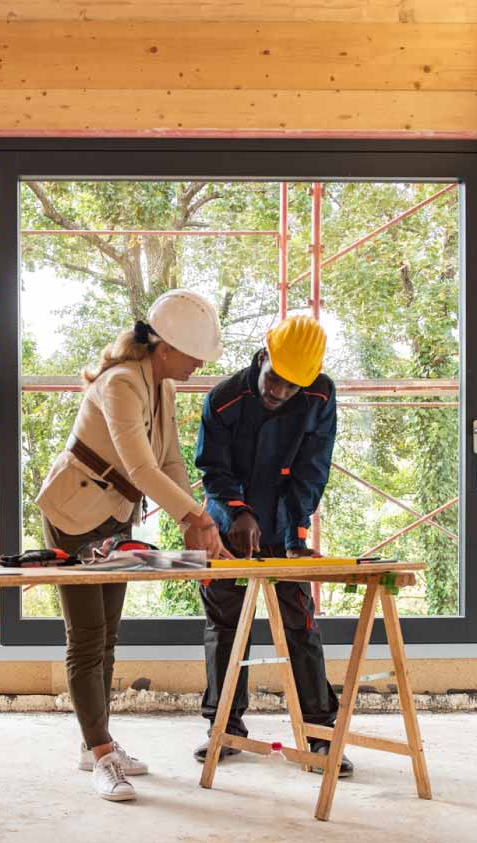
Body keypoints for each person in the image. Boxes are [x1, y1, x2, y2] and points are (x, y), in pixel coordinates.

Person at [36, 288, 232, 802]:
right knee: (86, 636)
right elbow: (141, 467)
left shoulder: (161, 385)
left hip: (113, 519)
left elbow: (167, 463)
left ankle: (94, 743)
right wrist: (194, 519)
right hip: (74, 515)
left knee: (107, 637)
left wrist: (201, 523)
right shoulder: (122, 383)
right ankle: (101, 756)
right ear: (165, 348)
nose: (199, 366)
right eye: (194, 356)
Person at [191, 314, 353, 776]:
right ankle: (224, 730)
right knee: (226, 627)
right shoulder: (224, 400)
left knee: (299, 625)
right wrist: (239, 512)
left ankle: (321, 736)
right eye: (275, 380)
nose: (280, 392)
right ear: (263, 357)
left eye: (291, 387)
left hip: (284, 524)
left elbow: (312, 468)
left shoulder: (319, 395)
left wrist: (296, 534)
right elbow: (212, 468)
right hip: (227, 524)